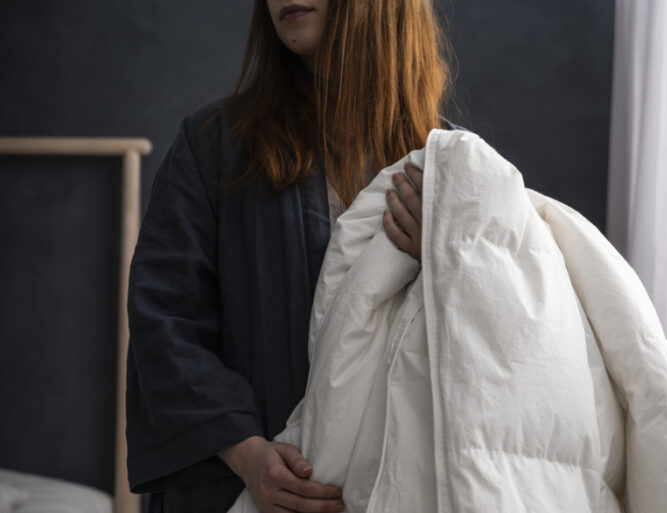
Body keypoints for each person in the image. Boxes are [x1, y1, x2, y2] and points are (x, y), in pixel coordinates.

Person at [125, 1, 464, 512]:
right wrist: (247, 455)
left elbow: (494, 343)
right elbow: (165, 325)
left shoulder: (452, 169)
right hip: (232, 490)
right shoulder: (214, 146)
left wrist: (442, 268)